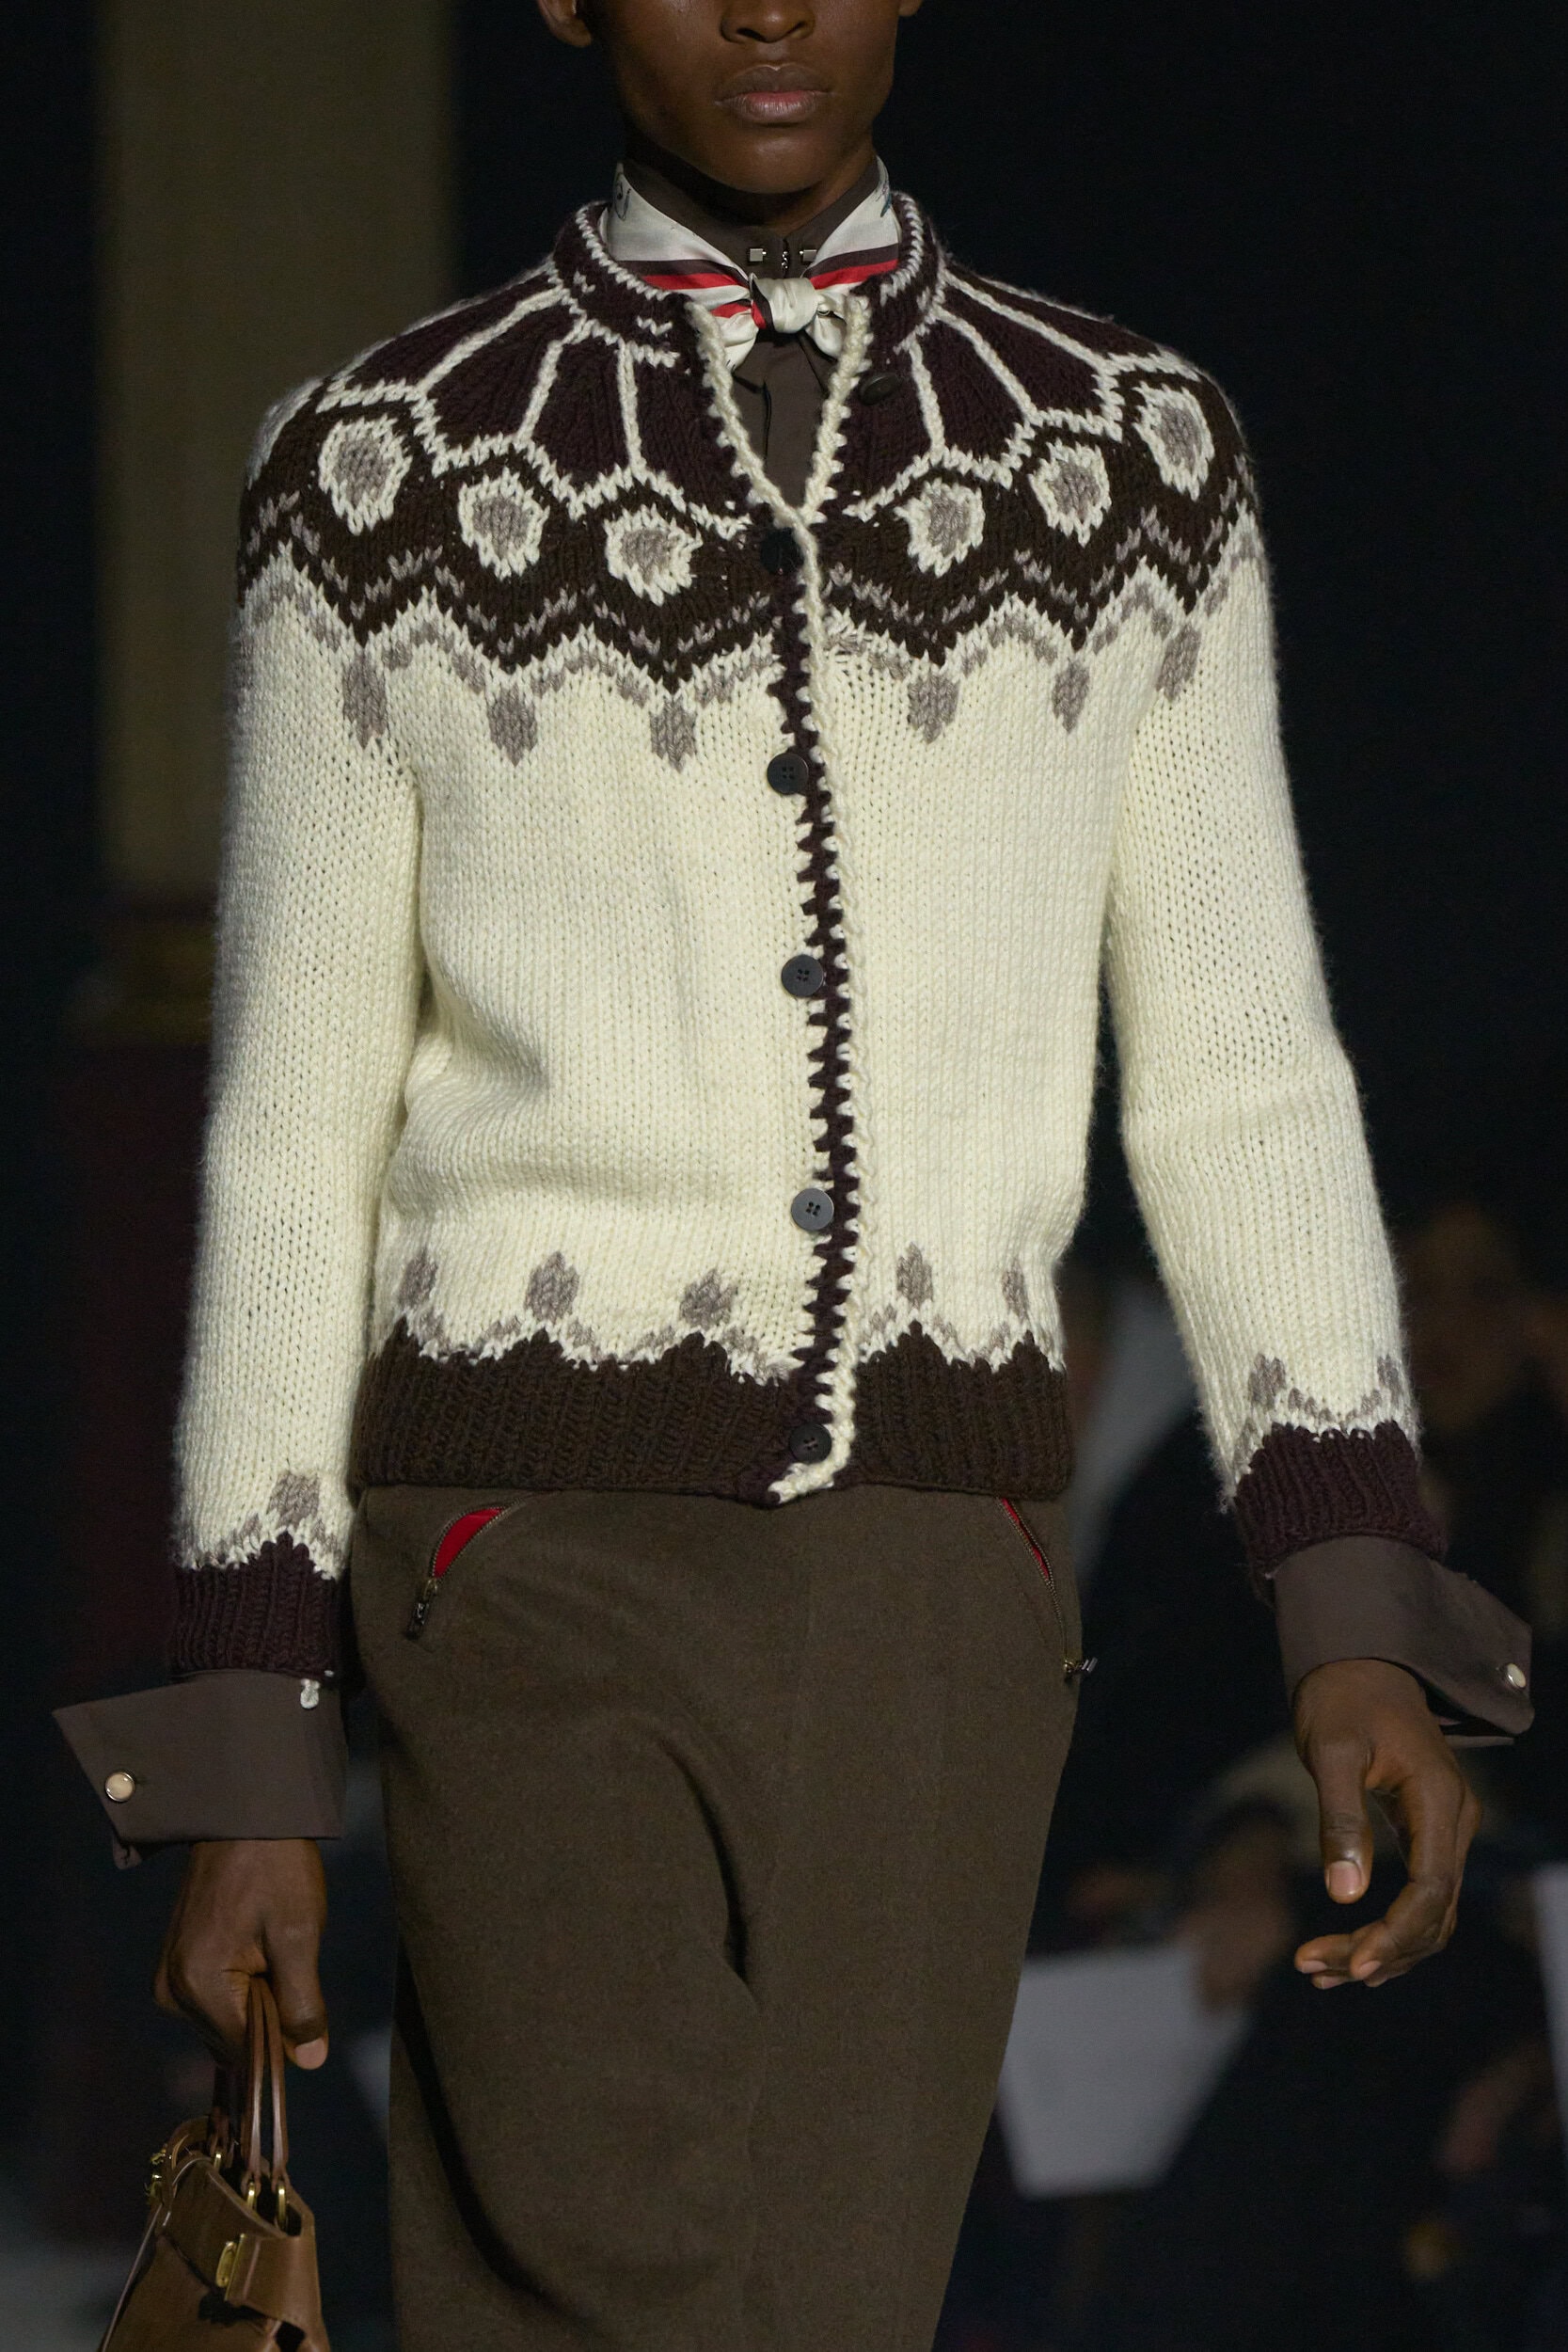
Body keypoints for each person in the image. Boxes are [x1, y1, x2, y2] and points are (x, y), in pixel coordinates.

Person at [55, 5, 1535, 2347]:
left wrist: (1349, 1593)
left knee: (830, 2305)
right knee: (605, 2275)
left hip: (940, 1576)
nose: (769, 7)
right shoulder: (380, 463)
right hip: (518, 1546)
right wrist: (254, 1728)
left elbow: (1240, 1064)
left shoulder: (1128, 454)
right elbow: (297, 1125)